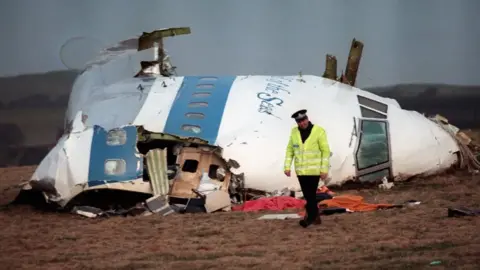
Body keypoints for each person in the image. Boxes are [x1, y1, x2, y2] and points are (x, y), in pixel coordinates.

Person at [284, 109, 331, 228]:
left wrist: (324, 169)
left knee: (310, 196)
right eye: (299, 121)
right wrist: (287, 166)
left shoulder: (318, 131)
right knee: (308, 196)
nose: (302, 123)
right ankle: (315, 218)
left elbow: (325, 151)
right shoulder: (294, 132)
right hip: (301, 171)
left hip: (314, 170)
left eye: (303, 120)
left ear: (307, 119)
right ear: (296, 122)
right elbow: (290, 150)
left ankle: (309, 219)